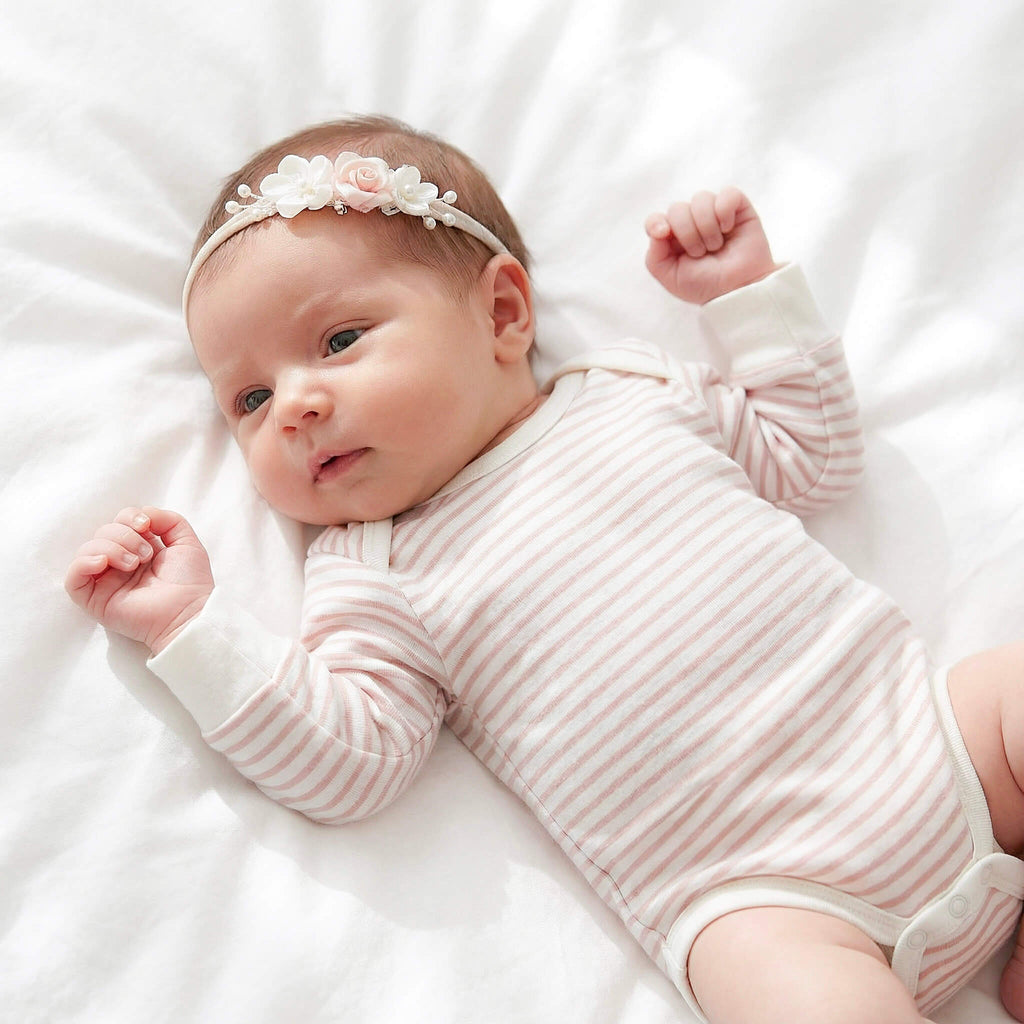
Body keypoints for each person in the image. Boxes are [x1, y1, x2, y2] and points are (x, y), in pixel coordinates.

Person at [65, 115, 1024, 1024]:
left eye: (341, 340)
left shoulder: (628, 392)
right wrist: (190, 630)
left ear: (505, 311)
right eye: (249, 396)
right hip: (767, 901)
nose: (297, 406)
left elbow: (810, 455)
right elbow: (349, 765)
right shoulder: (372, 570)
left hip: (935, 741)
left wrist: (745, 294)